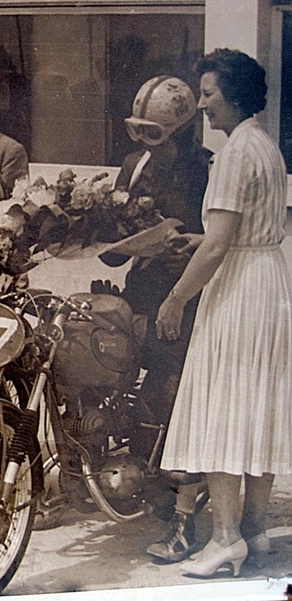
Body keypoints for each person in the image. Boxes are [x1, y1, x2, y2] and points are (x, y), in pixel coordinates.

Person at [156, 49, 291, 578]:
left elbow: (217, 248)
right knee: (254, 409)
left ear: (233, 95)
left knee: (221, 410)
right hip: (268, 281)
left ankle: (225, 537)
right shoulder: (266, 145)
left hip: (238, 288)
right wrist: (205, 239)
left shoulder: (234, 152)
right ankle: (253, 530)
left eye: (209, 94)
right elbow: (235, 233)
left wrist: (176, 298)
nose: (202, 105)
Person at [92, 76, 212, 563]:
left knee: (167, 382)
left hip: (184, 296)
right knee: (106, 364)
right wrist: (113, 243)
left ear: (181, 131)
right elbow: (112, 245)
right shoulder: (132, 166)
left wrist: (179, 257)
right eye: (137, 132)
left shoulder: (205, 171)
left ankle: (170, 485)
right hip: (141, 289)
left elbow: (215, 239)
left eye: (154, 134)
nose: (143, 143)